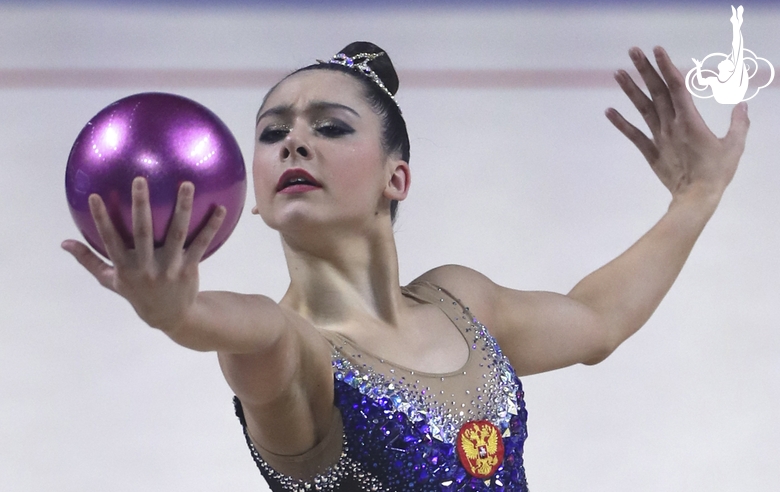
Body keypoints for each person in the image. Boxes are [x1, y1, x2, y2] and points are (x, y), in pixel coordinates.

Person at [61, 41, 750, 491]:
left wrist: (697, 195)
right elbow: (243, 329)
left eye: (330, 126)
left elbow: (597, 322)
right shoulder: (297, 350)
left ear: (398, 178)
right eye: (273, 134)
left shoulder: (461, 301)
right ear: (256, 201)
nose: (295, 140)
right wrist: (176, 312)